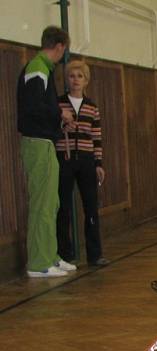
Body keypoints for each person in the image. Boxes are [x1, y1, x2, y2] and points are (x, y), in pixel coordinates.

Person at [17, 25, 77, 278]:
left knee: (51, 202)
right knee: (43, 203)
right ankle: (39, 263)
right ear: (61, 46)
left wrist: (56, 117)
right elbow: (33, 106)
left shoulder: (43, 68)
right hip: (37, 142)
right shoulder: (38, 68)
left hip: (45, 141)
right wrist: (59, 113)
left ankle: (50, 255)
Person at [54, 59, 109, 267]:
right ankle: (65, 255)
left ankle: (95, 255)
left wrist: (98, 163)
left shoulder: (92, 107)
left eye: (80, 76)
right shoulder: (58, 104)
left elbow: (96, 137)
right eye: (71, 76)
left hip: (86, 161)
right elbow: (52, 129)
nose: (75, 80)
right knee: (63, 208)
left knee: (91, 207)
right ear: (66, 80)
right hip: (65, 158)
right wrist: (61, 126)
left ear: (86, 81)